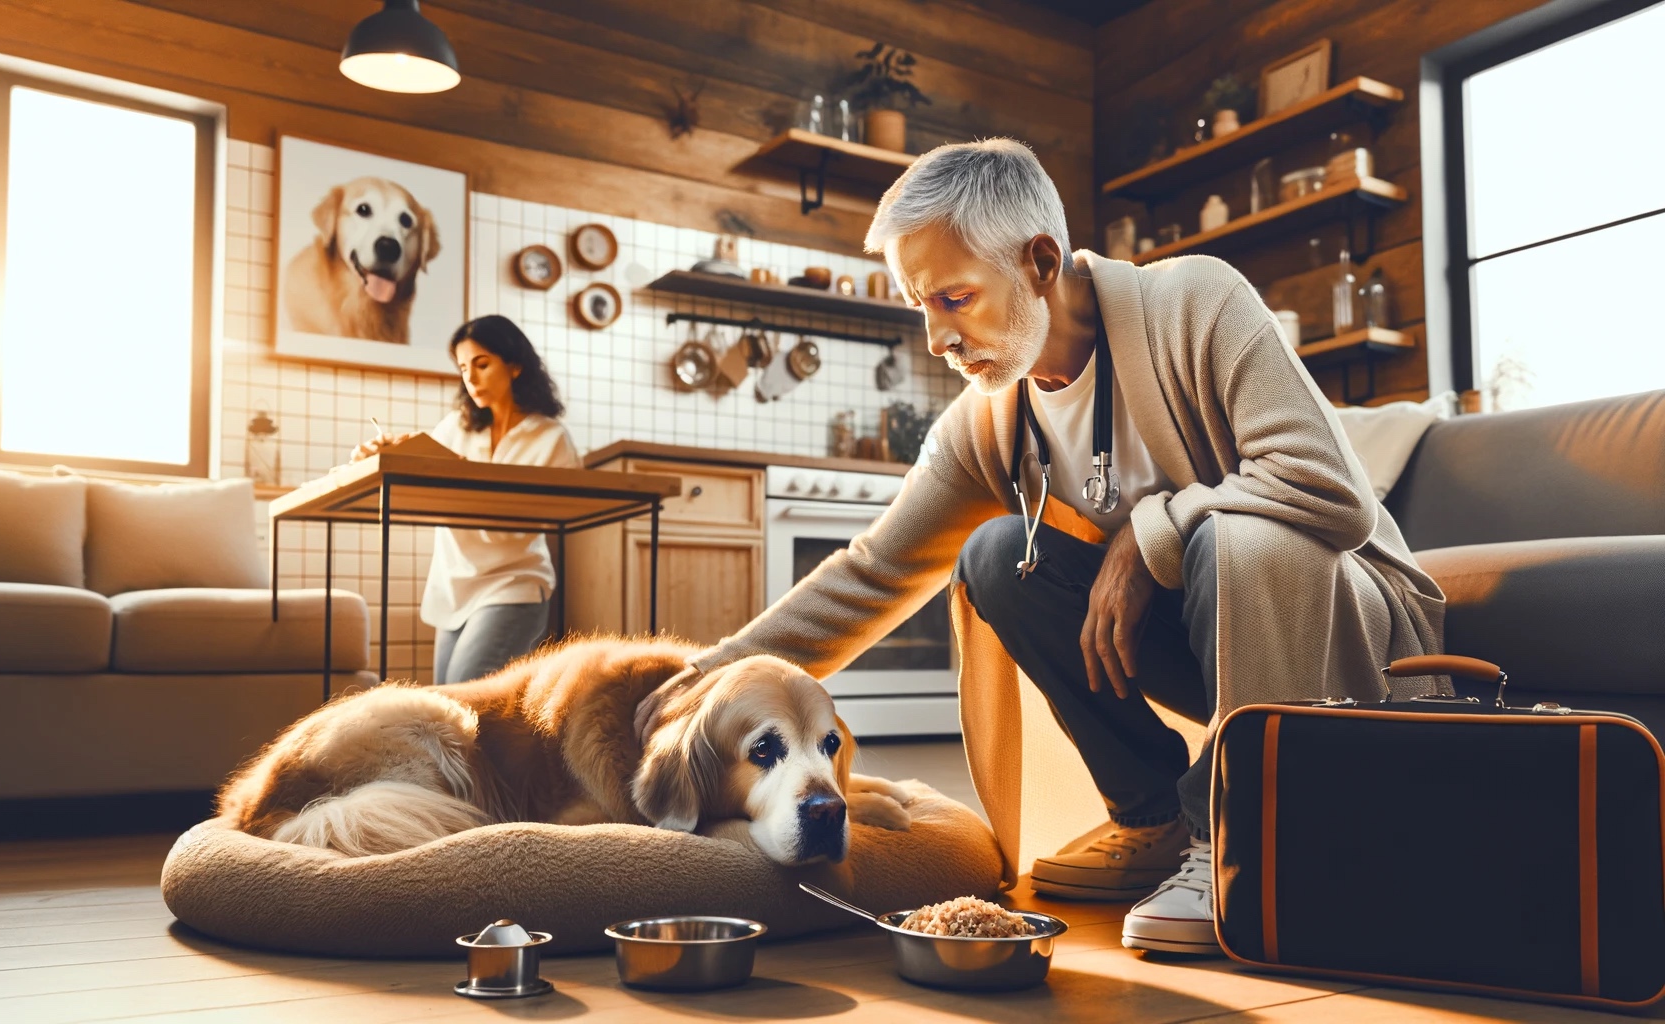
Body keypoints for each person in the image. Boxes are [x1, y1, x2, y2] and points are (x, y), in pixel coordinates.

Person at [665, 140, 1447, 955]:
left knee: (1229, 538)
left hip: (1349, 636)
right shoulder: (989, 416)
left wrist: (1150, 538)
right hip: (1207, 641)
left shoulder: (1198, 301)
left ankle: (1241, 840)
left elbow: (1331, 491)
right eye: (921, 306)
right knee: (998, 555)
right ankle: (1154, 821)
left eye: (956, 298)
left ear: (1040, 260)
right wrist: (702, 676)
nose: (936, 339)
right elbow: (874, 569)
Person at [353, 315, 579, 685]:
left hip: (513, 583)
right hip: (454, 587)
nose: (470, 378)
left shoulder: (550, 438)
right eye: (462, 368)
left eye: (482, 364)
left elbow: (536, 520)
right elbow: (423, 473)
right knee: (447, 702)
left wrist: (461, 474)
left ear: (516, 365)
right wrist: (385, 453)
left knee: (464, 700)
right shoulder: (455, 428)